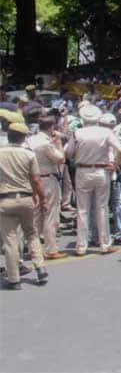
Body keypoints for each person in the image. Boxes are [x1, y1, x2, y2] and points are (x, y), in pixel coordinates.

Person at [66, 104, 121, 256]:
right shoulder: (106, 132)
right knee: (102, 208)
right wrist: (114, 164)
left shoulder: (77, 133)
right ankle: (105, 244)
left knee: (83, 210)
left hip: (83, 170)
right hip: (101, 170)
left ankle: (81, 246)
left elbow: (68, 153)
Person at [0, 122, 49, 289]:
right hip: (26, 198)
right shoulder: (28, 154)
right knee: (32, 234)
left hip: (5, 200)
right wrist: (42, 199)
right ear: (23, 138)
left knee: (10, 240)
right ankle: (40, 267)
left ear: (8, 135)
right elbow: (36, 180)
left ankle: (14, 279)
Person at [27, 116, 67, 259]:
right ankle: (51, 249)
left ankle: (34, 249)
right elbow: (61, 158)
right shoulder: (46, 143)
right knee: (51, 215)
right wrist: (59, 143)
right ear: (51, 127)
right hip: (47, 179)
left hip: (32, 180)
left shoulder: (30, 140)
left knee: (35, 217)